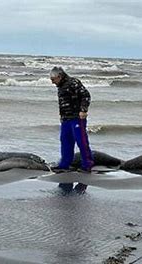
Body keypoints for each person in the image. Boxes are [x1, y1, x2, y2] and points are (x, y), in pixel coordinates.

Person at [50, 66, 94, 194]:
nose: (52, 82)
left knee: (81, 141)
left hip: (77, 117)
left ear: (60, 76)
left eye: (53, 79)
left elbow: (86, 95)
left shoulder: (73, 82)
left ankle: (87, 165)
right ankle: (64, 165)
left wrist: (83, 110)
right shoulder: (60, 87)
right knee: (65, 141)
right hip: (66, 119)